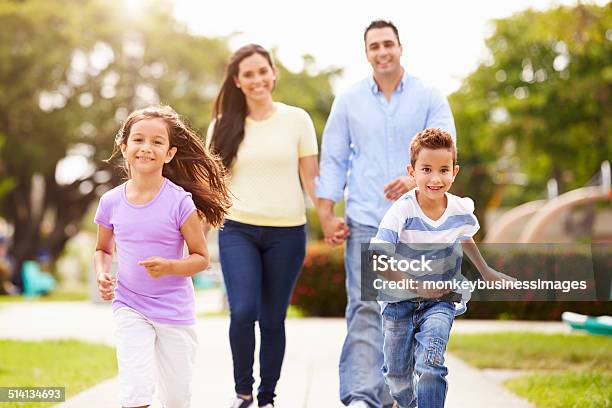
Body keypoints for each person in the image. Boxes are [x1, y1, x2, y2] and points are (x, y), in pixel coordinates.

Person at [316, 20, 457, 408]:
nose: (382, 52)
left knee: (411, 308)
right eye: (374, 46)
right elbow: (333, 157)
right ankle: (363, 397)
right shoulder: (348, 100)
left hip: (418, 224)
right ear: (367, 53)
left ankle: (398, 395)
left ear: (400, 47)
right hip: (365, 218)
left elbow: (448, 149)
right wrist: (327, 213)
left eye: (388, 44)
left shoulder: (429, 96)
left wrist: (414, 181)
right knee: (364, 306)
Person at [93, 105, 231, 408]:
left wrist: (170, 266)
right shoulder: (111, 202)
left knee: (176, 398)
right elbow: (103, 248)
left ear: (169, 153)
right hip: (129, 305)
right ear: (124, 146)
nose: (146, 148)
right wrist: (102, 273)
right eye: (138, 140)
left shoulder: (179, 202)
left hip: (174, 312)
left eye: (157, 142)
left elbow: (200, 257)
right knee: (135, 388)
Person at [207, 44, 320, 408]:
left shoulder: (297, 119)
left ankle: (267, 397)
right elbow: (211, 188)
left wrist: (330, 218)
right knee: (242, 311)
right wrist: (194, 236)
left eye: (262, 71)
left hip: (287, 233)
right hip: (237, 229)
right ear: (237, 82)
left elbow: (312, 180)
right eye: (248, 74)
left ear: (273, 73)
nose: (257, 80)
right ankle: (243, 392)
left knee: (273, 319)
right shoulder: (221, 126)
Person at [370, 128, 515, 408]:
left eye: (443, 170)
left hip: (441, 301)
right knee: (398, 380)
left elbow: (463, 234)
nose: (435, 179)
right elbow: (377, 256)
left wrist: (487, 272)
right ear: (411, 172)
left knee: (431, 365)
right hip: (398, 303)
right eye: (426, 169)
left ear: (454, 171)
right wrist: (417, 286)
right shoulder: (402, 211)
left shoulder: (460, 209)